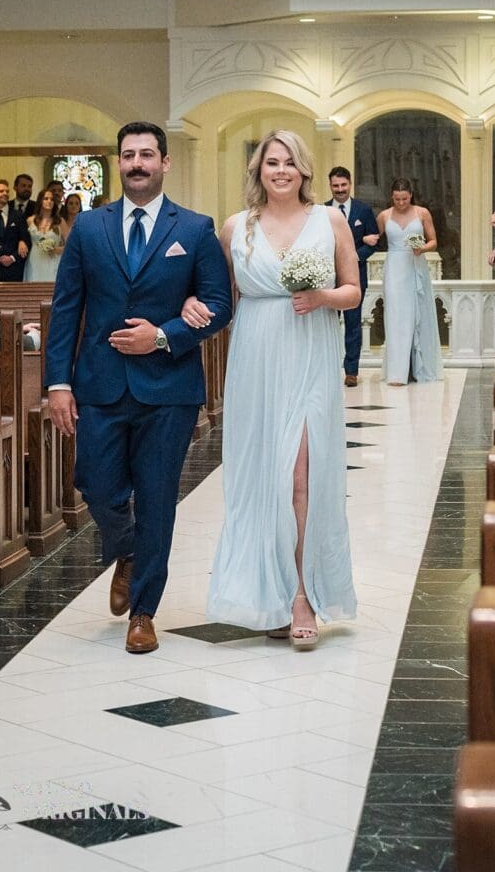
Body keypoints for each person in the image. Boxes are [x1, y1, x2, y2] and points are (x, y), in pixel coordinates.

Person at [45, 121, 232, 655]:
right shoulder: (89, 228)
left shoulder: (194, 230)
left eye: (147, 154)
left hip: (168, 390)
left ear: (165, 163)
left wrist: (165, 336)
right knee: (97, 487)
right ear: (118, 162)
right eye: (128, 155)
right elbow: (66, 310)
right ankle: (126, 551)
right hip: (99, 385)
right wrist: (58, 382)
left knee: (156, 500)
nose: (137, 164)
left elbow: (220, 305)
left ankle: (144, 613)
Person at [185, 130, 360, 648]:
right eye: (270, 163)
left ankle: (303, 593)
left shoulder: (327, 220)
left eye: (289, 163)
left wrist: (323, 295)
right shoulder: (237, 227)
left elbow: (353, 292)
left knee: (302, 475)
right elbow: (218, 297)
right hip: (255, 360)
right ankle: (268, 593)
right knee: (265, 478)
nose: (280, 170)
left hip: (309, 354)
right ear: (258, 171)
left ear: (304, 170)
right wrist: (188, 308)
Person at [371, 177, 443, 386]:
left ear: (411, 195)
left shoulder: (422, 213)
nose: (401, 203)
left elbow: (434, 241)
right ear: (391, 197)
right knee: (395, 317)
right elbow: (375, 238)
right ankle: (397, 372)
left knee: (416, 315)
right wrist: (369, 240)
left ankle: (419, 367)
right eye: (396, 199)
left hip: (415, 265)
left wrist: (422, 248)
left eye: (404, 199)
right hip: (394, 267)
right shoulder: (384, 216)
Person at [325, 165, 379, 387]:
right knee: (327, 323)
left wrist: (354, 256)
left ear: (350, 184)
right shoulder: (322, 211)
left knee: (353, 323)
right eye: (335, 186)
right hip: (328, 277)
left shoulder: (363, 210)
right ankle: (327, 368)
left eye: (343, 185)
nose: (339, 189)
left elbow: (375, 241)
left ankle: (351, 371)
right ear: (330, 186)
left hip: (355, 276)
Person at [23, 187, 64, 281]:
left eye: (52, 199)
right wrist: (21, 242)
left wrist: (56, 249)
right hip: (35, 260)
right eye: (46, 199)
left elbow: (70, 245)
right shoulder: (30, 220)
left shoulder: (60, 221)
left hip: (52, 260)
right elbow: (23, 238)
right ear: (40, 201)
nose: (49, 201)